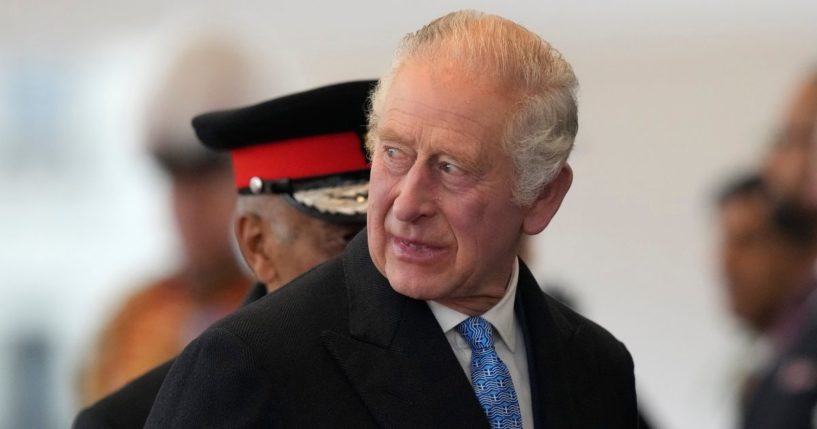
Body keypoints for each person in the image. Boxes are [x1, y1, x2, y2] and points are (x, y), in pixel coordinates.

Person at [146, 10, 638, 428]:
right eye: (394, 154)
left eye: (451, 168)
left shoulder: (597, 366)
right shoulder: (249, 366)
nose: (406, 204)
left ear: (543, 196)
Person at [73, 79, 376, 428]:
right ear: (258, 244)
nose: (370, 264)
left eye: (381, 240)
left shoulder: (430, 367)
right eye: (344, 241)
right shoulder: (133, 410)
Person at [80, 37, 261, 403]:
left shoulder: (279, 311)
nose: (188, 207)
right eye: (177, 181)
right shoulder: (132, 319)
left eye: (205, 181)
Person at [716, 174, 817, 429]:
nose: (726, 262)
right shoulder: (775, 360)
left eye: (747, 242)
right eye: (725, 242)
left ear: (805, 250)